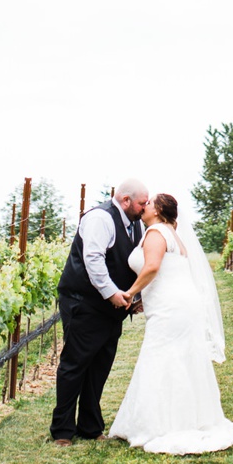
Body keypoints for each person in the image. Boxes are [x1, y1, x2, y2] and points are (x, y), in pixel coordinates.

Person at [108, 192, 233, 455]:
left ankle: (161, 425)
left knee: (160, 356)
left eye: (148, 204)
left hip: (171, 308)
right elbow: (172, 275)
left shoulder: (156, 232)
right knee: (181, 358)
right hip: (178, 304)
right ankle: (186, 418)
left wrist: (130, 293)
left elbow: (152, 268)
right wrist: (145, 299)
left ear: (158, 211)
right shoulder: (173, 234)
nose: (144, 206)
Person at [49, 179, 148, 444]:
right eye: (141, 203)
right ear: (126, 200)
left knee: (100, 366)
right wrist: (112, 294)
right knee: (75, 364)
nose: (144, 207)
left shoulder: (136, 223)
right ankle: (62, 431)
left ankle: (90, 427)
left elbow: (129, 264)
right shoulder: (100, 218)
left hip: (112, 309)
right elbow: (94, 259)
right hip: (84, 303)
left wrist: (133, 296)